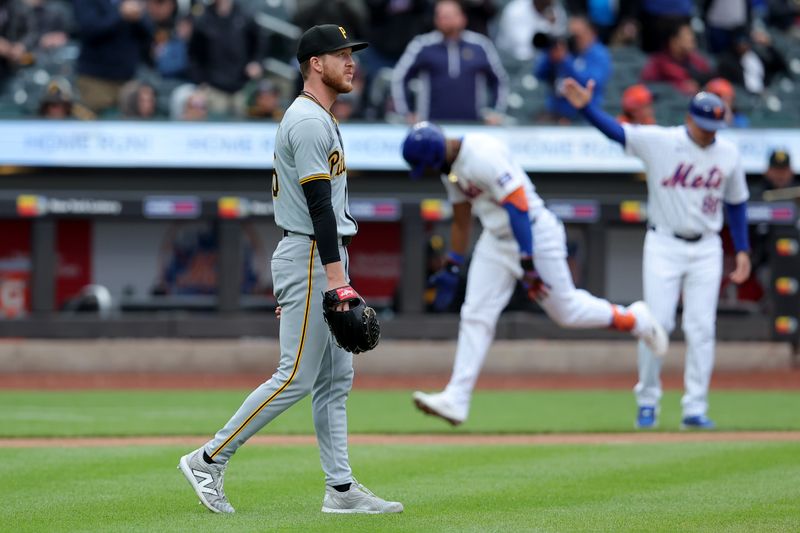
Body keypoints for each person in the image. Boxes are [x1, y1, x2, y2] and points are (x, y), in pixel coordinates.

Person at [178, 24, 403, 515]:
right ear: (314, 63)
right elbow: (319, 206)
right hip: (311, 255)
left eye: (352, 54)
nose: (351, 62)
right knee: (295, 377)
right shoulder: (306, 120)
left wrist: (335, 272)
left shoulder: (321, 116)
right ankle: (209, 458)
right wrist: (336, 280)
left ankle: (340, 491)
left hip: (321, 255)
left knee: (334, 381)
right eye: (340, 54)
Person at [401, 122, 668, 427]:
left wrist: (528, 262)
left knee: (566, 312)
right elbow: (462, 218)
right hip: (496, 239)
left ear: (436, 155)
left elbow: (518, 205)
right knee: (476, 314)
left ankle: (635, 319)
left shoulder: (482, 154)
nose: (427, 171)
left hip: (534, 233)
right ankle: (457, 399)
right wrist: (452, 263)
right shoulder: (449, 166)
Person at [561, 78, 752, 430]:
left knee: (701, 329)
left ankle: (695, 408)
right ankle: (647, 401)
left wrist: (742, 249)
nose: (711, 133)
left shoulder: (728, 153)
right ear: (690, 119)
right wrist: (586, 108)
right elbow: (617, 133)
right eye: (705, 125)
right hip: (664, 243)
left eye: (715, 126)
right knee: (656, 324)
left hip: (707, 245)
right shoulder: (662, 141)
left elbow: (737, 203)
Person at [391, 0, 508, 124]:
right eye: (441, 16)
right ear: (435, 19)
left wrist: (497, 112)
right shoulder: (422, 45)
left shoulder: (480, 45)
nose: (446, 20)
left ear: (463, 17)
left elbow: (499, 80)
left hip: (473, 125)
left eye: (450, 15)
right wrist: (406, 112)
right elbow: (400, 77)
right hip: (432, 125)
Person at [74, 0, 154, 114]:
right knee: (94, 128)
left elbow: (149, 33)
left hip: (128, 79)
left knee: (131, 127)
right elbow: (88, 29)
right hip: (95, 79)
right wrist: (120, 14)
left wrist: (138, 17)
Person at [534, 14, 611, 123]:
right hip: (556, 115)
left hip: (584, 117)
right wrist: (550, 57)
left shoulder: (599, 54)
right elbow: (539, 74)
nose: (573, 39)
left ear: (590, 33)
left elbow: (591, 82)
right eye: (570, 34)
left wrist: (565, 60)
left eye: (577, 35)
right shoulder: (565, 50)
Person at [640, 21, 713, 96]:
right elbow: (647, 87)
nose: (692, 38)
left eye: (691, 34)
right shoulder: (658, 62)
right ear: (673, 41)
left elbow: (710, 77)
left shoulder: (696, 60)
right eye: (687, 35)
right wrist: (679, 87)